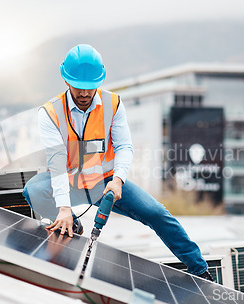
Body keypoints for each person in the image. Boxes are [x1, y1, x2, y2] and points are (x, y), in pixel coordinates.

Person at [22, 44, 213, 281]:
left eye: (90, 88)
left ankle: (200, 269)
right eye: (78, 87)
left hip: (106, 183)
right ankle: (72, 222)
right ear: (66, 81)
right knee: (33, 189)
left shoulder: (113, 105)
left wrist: (118, 180)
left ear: (99, 83)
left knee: (157, 213)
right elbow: (57, 161)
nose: (84, 93)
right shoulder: (50, 113)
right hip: (69, 183)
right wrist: (63, 208)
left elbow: (124, 146)